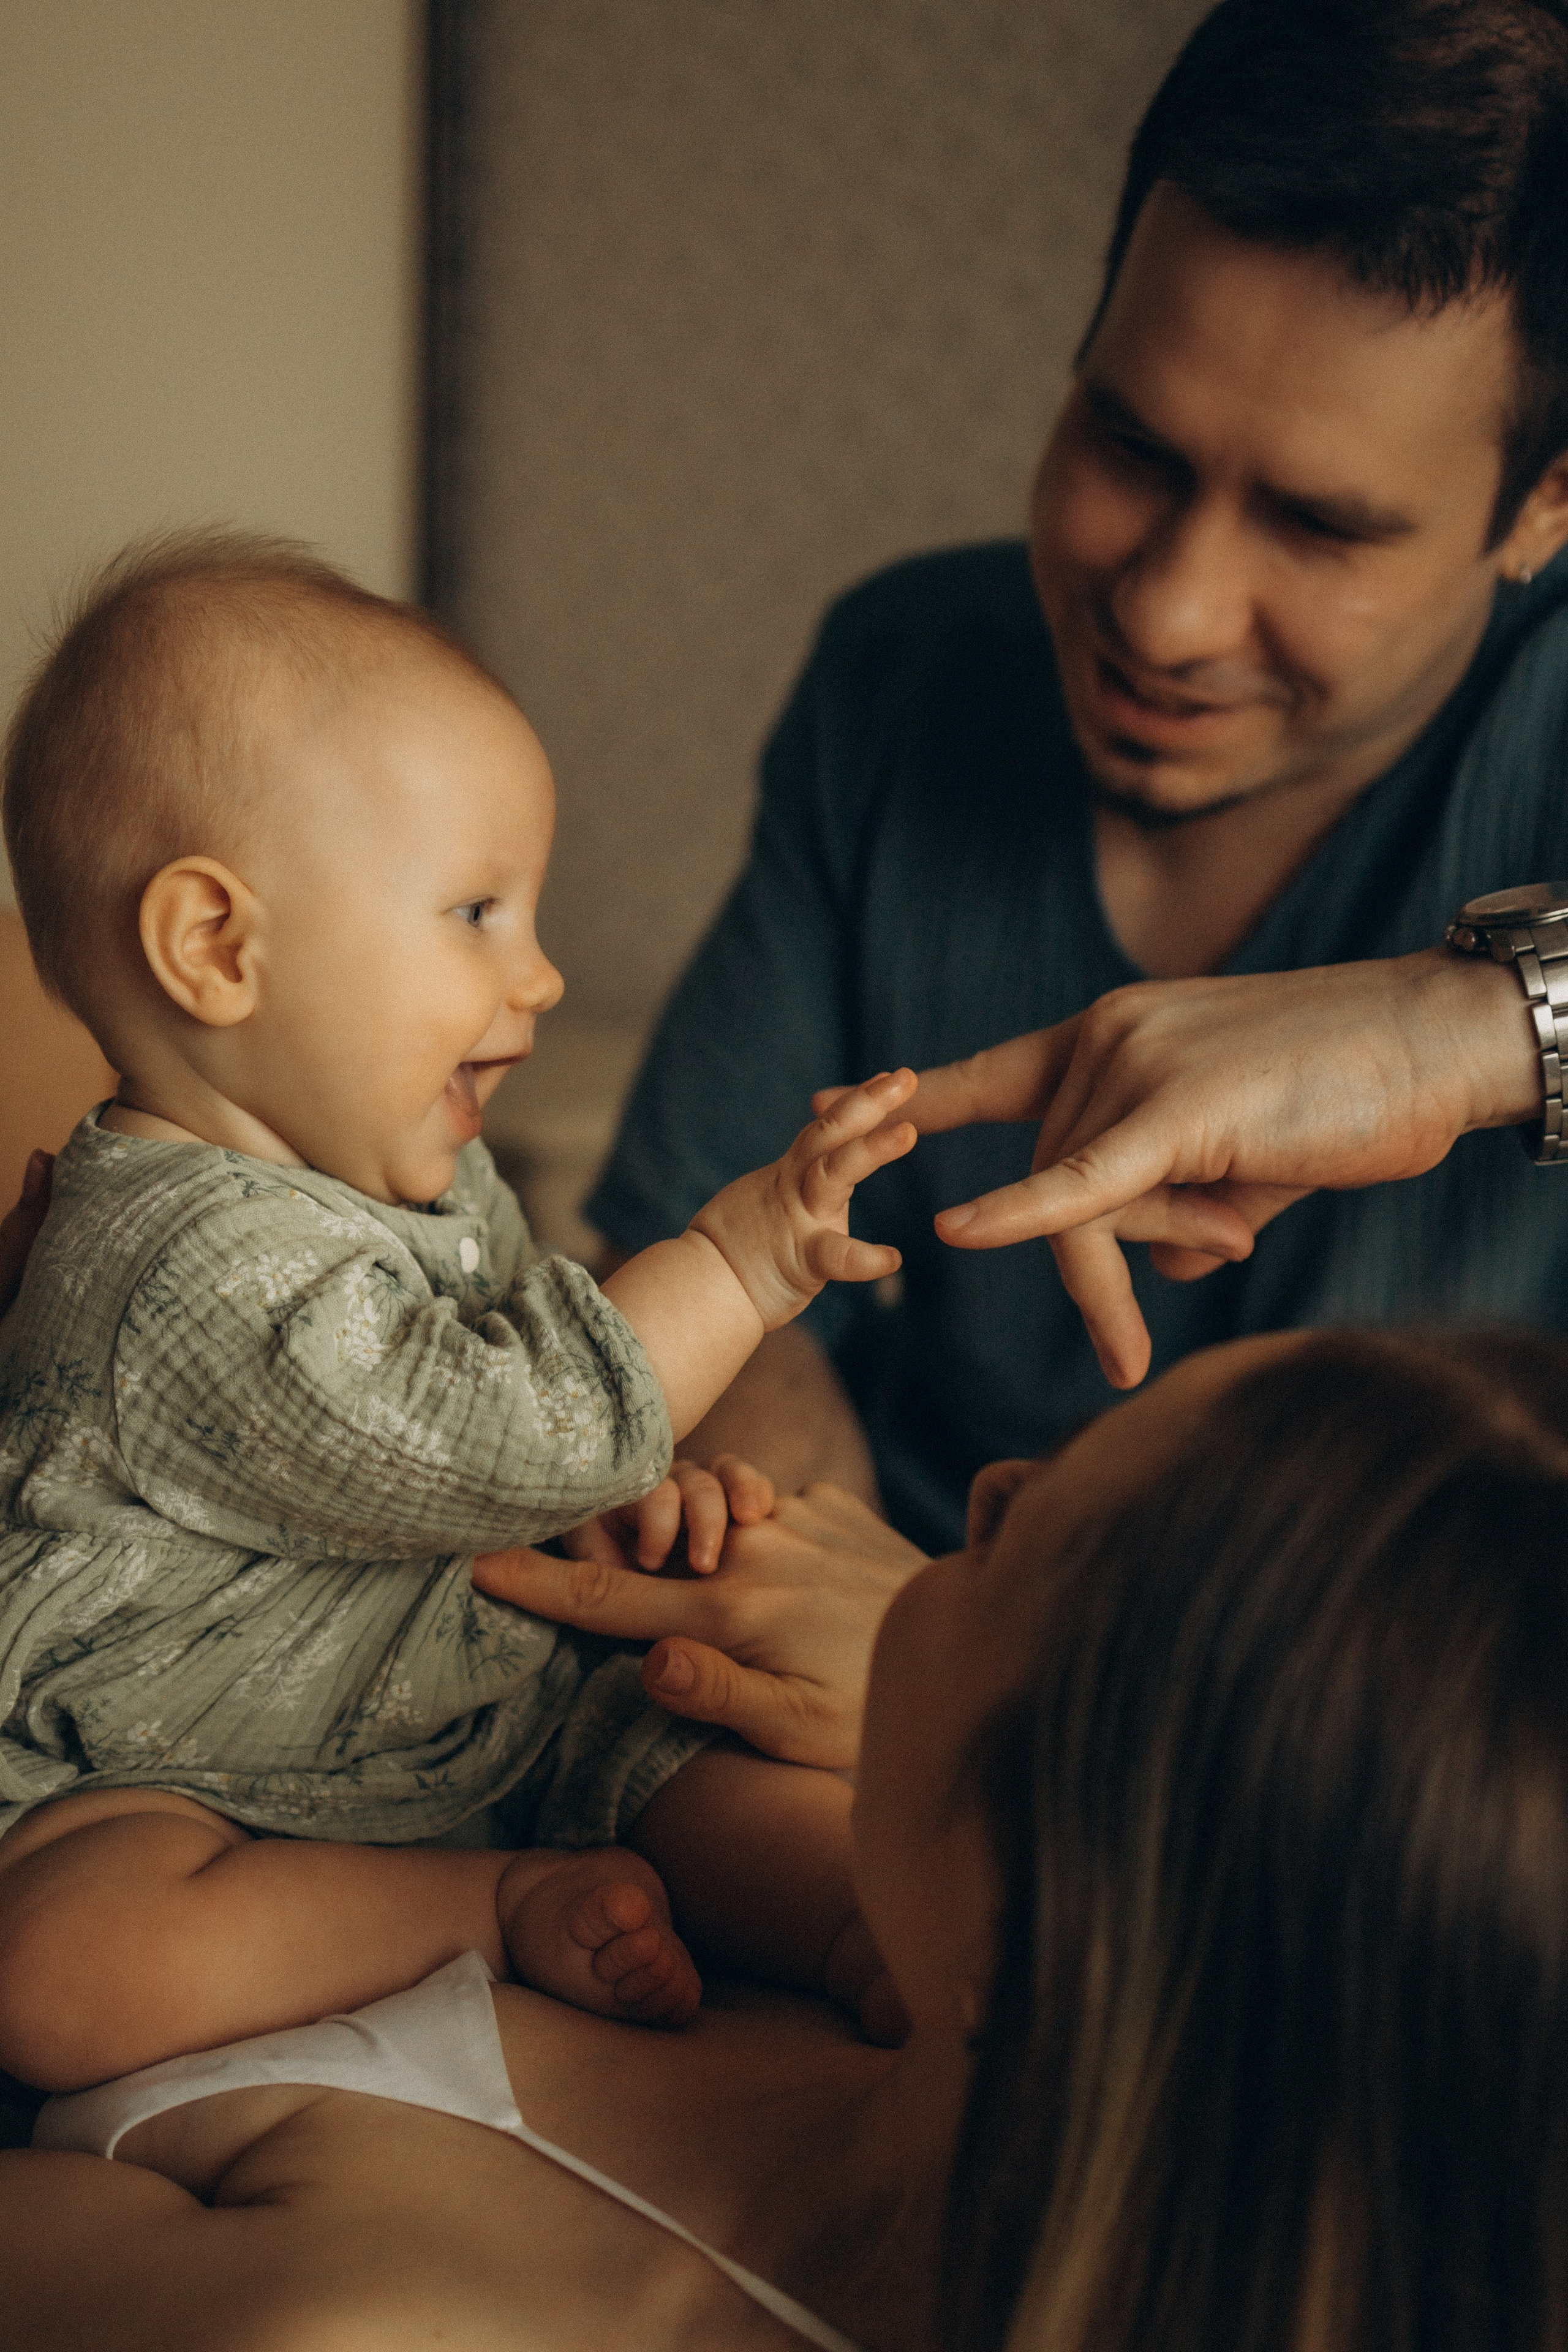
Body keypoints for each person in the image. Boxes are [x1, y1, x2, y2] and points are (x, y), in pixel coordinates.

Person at [6, 1320, 1568, 2352]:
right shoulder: (881, 1948)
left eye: (1009, 1537)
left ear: (1043, 1902)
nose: (984, 1483)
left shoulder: (344, 2322)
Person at [586, 0, 1568, 1554]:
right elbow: (696, 1255)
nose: (1163, 611)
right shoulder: (899, 676)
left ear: (1541, 509)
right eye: (1128, 445)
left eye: (1318, 526)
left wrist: (1456, 1028)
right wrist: (889, 1636)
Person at [0, 531, 922, 2094]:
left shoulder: (407, 1175)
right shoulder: (170, 1267)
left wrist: (632, 1503)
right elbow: (509, 1424)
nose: (542, 976)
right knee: (61, 1973)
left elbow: (532, 1378)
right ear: (218, 947)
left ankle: (888, 1937)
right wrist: (736, 1265)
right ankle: (487, 1906)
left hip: (476, 1696)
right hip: (172, 1768)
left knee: (711, 1766)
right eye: (477, 913)